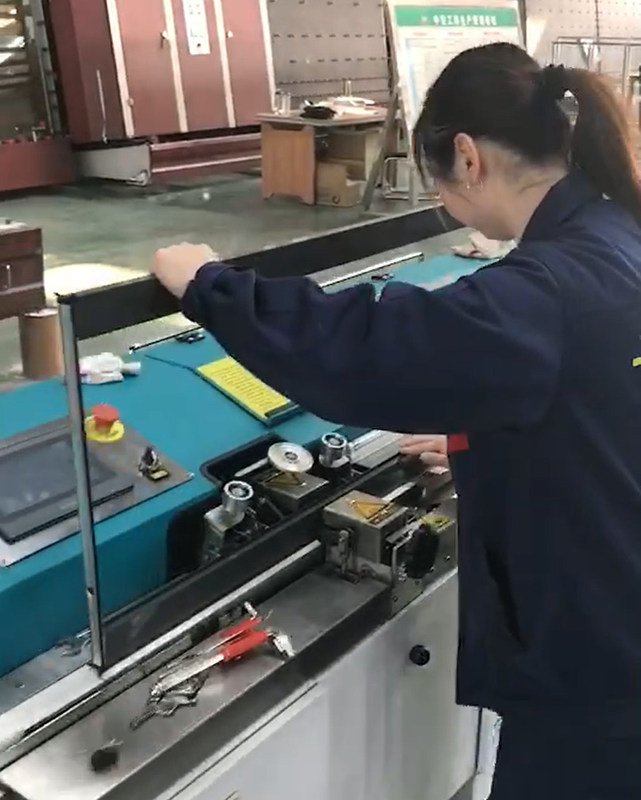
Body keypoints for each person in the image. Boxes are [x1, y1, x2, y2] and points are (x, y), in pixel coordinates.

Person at [152, 43, 641, 799]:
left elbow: (365, 350)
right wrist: (488, 441)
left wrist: (209, 286)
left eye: (435, 179)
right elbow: (596, 402)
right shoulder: (616, 232)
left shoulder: (543, 289)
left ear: (467, 157)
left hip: (596, 670)